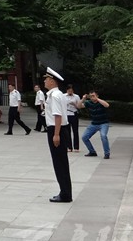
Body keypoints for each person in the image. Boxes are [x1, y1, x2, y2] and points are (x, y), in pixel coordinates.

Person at [43, 68, 72, 202]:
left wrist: (56, 135)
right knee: (62, 163)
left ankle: (65, 194)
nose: (44, 81)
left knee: (59, 163)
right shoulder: (59, 94)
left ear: (52, 81)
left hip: (56, 129)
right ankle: (65, 192)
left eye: (46, 79)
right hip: (61, 129)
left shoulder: (54, 96)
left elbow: (57, 116)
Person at [79, 90, 111, 159]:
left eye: (93, 96)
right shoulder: (88, 103)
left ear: (97, 96)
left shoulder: (100, 102)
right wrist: (83, 99)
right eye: (90, 96)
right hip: (94, 124)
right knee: (84, 137)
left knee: (103, 136)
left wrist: (97, 99)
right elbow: (79, 106)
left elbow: (107, 105)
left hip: (103, 123)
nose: (92, 98)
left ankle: (107, 153)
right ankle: (92, 151)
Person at [64, 85, 80, 152]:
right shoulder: (63, 96)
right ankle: (69, 146)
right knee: (67, 131)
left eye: (71, 90)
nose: (70, 91)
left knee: (75, 131)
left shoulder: (76, 96)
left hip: (74, 113)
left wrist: (74, 104)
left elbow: (79, 106)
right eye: (69, 90)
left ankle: (76, 147)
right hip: (67, 114)